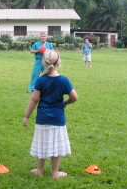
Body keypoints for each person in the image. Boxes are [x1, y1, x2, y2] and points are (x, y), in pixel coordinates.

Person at [23, 50, 78, 179]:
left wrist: (26, 116)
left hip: (42, 118)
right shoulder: (64, 80)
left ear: (44, 62)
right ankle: (55, 173)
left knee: (42, 143)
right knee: (56, 145)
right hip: (58, 119)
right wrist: (65, 103)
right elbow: (74, 97)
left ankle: (40, 171)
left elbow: (34, 99)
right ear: (58, 62)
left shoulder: (41, 80)